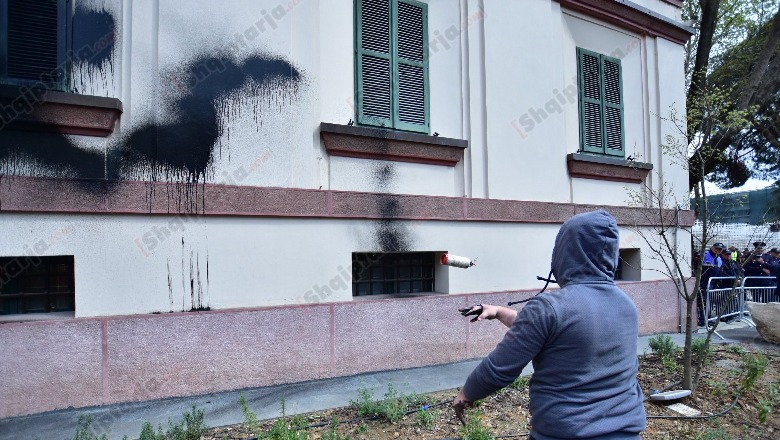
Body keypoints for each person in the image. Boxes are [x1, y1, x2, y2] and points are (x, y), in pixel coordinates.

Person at [454, 210, 645, 440]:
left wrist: (467, 393)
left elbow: (500, 368)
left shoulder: (550, 307)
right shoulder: (626, 305)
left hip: (566, 433)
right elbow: (562, 334)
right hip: (626, 433)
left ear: (565, 252)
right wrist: (499, 312)